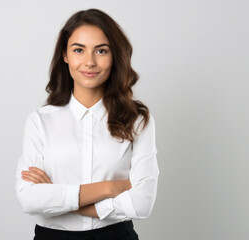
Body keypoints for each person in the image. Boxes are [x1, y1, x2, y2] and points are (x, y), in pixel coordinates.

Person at [15, 8, 159, 240]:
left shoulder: (137, 120)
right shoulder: (40, 120)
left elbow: (141, 204)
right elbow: (28, 199)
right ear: (65, 55)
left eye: (101, 51)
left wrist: (58, 199)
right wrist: (108, 188)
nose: (89, 62)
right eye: (79, 50)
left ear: (115, 56)